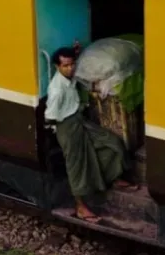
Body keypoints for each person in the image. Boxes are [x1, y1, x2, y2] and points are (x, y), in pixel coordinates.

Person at [44, 46, 138, 224]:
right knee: (76, 166)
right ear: (57, 67)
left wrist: (76, 51)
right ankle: (80, 206)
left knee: (111, 142)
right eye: (65, 66)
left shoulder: (70, 77)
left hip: (79, 119)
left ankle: (112, 176)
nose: (70, 68)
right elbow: (50, 116)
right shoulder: (57, 89)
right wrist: (60, 130)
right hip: (67, 125)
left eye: (72, 64)